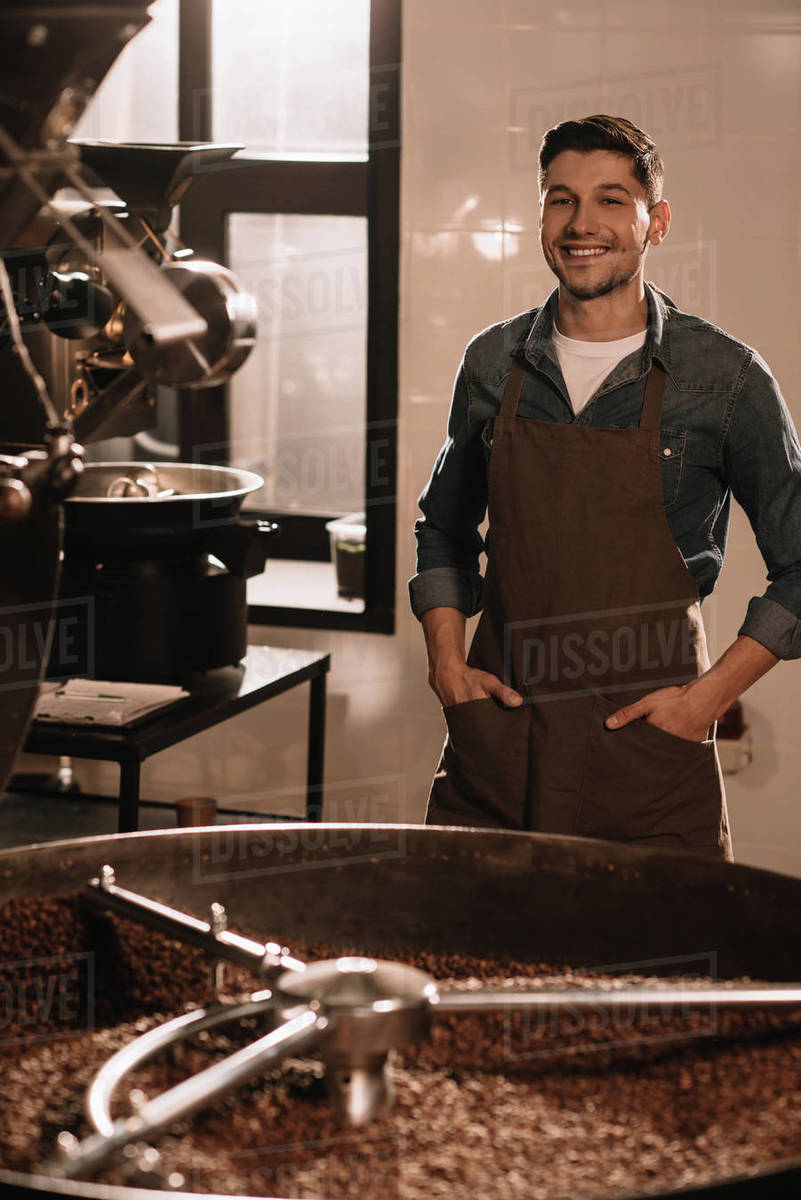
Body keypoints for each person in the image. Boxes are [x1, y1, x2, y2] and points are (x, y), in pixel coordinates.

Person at [409, 114, 801, 860]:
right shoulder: (492, 363)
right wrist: (446, 665)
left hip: (645, 758)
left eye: (609, 200)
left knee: (645, 962)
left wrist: (705, 702)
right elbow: (444, 530)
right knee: (475, 954)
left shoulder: (723, 379)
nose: (581, 223)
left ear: (654, 223)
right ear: (541, 218)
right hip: (500, 748)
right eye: (560, 200)